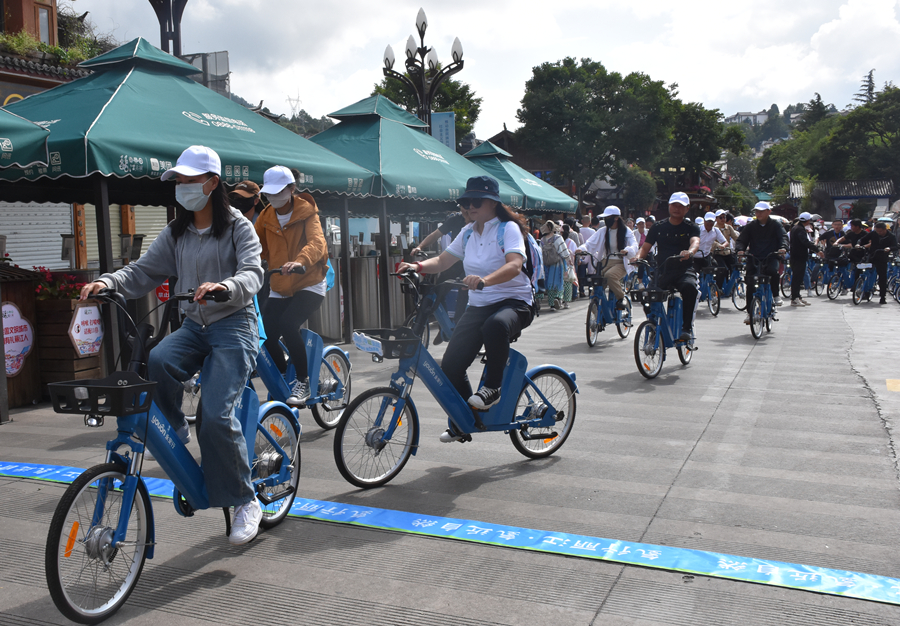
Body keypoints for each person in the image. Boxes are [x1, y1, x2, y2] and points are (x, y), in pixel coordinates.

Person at [79, 146, 265, 545]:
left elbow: (253, 274)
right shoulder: (176, 231)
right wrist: (108, 282)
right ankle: (176, 432)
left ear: (212, 183)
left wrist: (225, 287)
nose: (180, 188)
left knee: (215, 416)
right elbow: (144, 270)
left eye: (187, 181)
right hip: (194, 326)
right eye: (177, 182)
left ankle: (246, 500)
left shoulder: (237, 227)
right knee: (159, 358)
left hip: (234, 325)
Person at [396, 175, 535, 439]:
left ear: (492, 203)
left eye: (476, 201)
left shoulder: (508, 229)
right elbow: (443, 260)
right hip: (480, 303)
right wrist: (417, 267)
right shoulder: (468, 231)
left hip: (515, 302)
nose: (469, 206)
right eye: (465, 201)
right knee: (450, 367)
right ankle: (465, 421)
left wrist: (485, 280)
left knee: (495, 325)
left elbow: (515, 265)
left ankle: (493, 387)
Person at [255, 165, 329, 406]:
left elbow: (318, 243)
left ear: (291, 189)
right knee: (265, 335)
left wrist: (300, 261)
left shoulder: (307, 212)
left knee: (288, 324)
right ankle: (284, 375)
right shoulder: (265, 217)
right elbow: (255, 246)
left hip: (309, 281)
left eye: (279, 191)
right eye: (269, 193)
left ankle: (303, 380)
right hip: (280, 282)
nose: (274, 197)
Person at [634, 192, 700, 342]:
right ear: (669, 206)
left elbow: (695, 242)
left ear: (687, 208)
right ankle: (652, 326)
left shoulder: (691, 227)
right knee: (646, 296)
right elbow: (645, 248)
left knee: (690, 289)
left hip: (684, 271)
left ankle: (686, 328)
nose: (677, 208)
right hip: (662, 271)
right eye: (674, 205)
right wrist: (637, 258)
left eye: (680, 206)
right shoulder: (658, 227)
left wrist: (690, 252)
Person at [735, 202, 788, 320]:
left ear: (769, 211)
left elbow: (783, 237)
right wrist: (740, 250)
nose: (758, 213)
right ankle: (749, 313)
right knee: (750, 282)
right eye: (756, 211)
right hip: (754, 257)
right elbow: (742, 240)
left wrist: (783, 248)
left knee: (773, 271)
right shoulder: (751, 226)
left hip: (771, 256)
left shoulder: (776, 225)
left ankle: (776, 295)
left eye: (761, 211)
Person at [578, 205, 637, 310]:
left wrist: (627, 250)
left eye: (607, 218)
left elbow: (634, 245)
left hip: (621, 262)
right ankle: (597, 309)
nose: (605, 220)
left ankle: (621, 297)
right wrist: (581, 249)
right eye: (605, 218)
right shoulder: (603, 231)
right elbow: (590, 243)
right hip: (606, 261)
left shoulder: (626, 231)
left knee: (610, 276)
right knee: (597, 280)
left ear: (616, 218)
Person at [859, 221, 899, 303]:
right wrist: (859, 245)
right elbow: (863, 240)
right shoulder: (873, 234)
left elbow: (895, 246)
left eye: (880, 231)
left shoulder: (891, 236)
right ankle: (863, 290)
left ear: (885, 230)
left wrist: (889, 248)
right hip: (871, 256)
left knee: (882, 277)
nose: (879, 233)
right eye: (877, 231)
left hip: (882, 258)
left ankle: (882, 297)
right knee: (863, 271)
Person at [789, 212, 822, 306]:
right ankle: (794, 298)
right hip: (798, 256)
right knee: (797, 278)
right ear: (808, 220)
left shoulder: (797, 227)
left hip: (797, 256)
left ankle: (797, 296)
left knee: (798, 278)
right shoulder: (800, 229)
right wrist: (817, 250)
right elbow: (805, 242)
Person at [540, 220, 570, 309]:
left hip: (547, 264)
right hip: (558, 263)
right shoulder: (558, 238)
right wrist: (568, 260)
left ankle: (551, 304)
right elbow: (564, 251)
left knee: (549, 283)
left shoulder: (542, 240)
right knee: (559, 281)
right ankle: (558, 297)